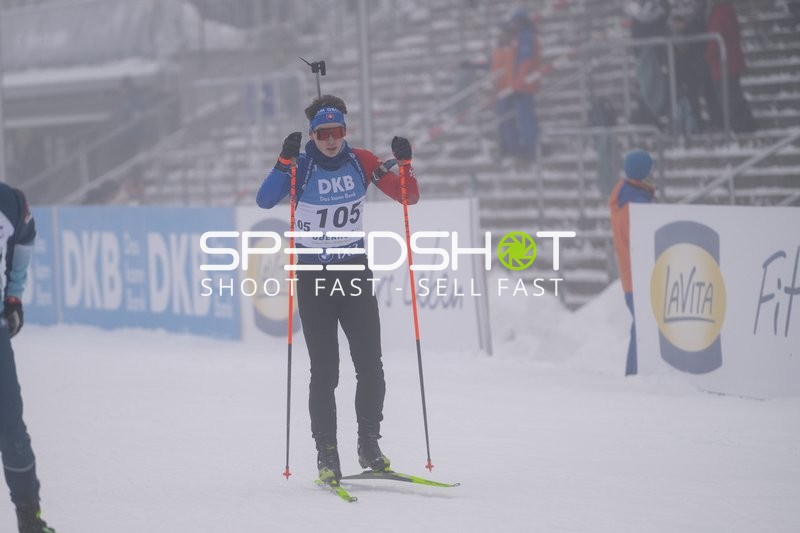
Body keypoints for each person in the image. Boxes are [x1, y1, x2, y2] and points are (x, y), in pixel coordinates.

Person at [256, 95, 419, 483]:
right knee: (326, 371)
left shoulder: (360, 160)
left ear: (346, 131)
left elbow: (407, 196)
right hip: (314, 279)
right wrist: (283, 161)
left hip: (353, 274)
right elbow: (264, 200)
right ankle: (327, 453)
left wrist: (406, 165)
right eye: (323, 134)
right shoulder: (301, 166)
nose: (331, 140)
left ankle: (369, 444)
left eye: (338, 132)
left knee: (371, 365)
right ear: (312, 134)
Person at [0, 183, 56, 533]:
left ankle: (29, 519)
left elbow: (24, 238)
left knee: (11, 429)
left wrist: (13, 297)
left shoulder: (10, 202)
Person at [609, 150, 656, 376]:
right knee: (643, 328)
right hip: (640, 277)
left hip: (631, 278)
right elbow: (645, 242)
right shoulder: (636, 207)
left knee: (641, 327)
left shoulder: (624, 198)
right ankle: (634, 375)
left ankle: (635, 374)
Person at [490, 9, 541, 166]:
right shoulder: (516, 40)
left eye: (515, 23)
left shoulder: (525, 37)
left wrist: (518, 84)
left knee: (526, 119)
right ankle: (517, 149)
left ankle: (531, 149)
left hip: (523, 86)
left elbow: (525, 62)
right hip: (516, 86)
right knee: (516, 119)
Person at [705, 0, 756, 133]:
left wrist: (708, 56)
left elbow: (714, 41)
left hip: (723, 65)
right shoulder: (728, 12)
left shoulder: (719, 15)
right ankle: (746, 124)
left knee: (729, 98)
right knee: (735, 96)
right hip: (732, 63)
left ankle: (741, 126)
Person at [626, 0, 671, 128]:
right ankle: (648, 117)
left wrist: (633, 8)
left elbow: (648, 16)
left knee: (652, 86)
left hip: (653, 50)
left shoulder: (658, 5)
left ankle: (652, 117)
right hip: (643, 51)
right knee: (646, 85)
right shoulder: (643, 5)